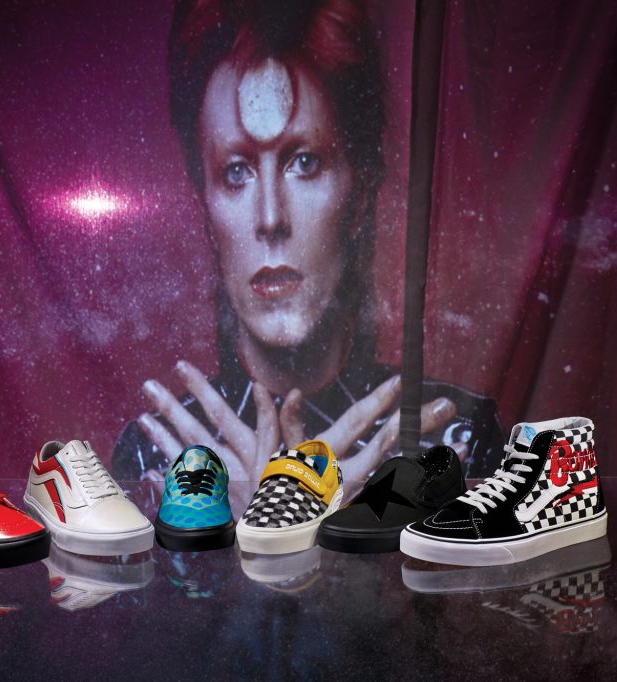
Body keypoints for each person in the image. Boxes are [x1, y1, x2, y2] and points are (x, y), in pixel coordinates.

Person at [113, 0, 504, 484]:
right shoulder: (157, 454)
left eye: (304, 162)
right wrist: (248, 517)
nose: (270, 218)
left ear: (360, 192)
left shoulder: (456, 437)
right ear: (205, 207)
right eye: (235, 172)